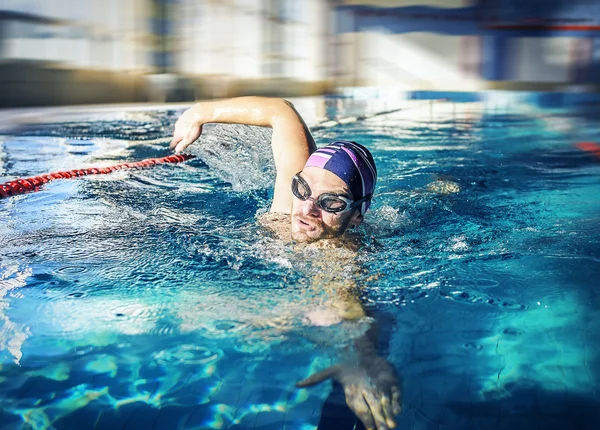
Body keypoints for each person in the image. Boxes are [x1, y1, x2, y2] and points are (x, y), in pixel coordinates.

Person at [171, 96, 401, 430]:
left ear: (355, 218)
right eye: (302, 188)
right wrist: (198, 114)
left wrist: (358, 357)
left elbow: (345, 299)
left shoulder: (338, 252)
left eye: (331, 202)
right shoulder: (290, 199)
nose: (306, 210)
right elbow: (281, 111)